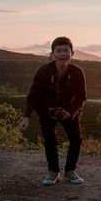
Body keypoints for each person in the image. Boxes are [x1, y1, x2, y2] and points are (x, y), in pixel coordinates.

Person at [18, 36, 87, 185]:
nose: (63, 54)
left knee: (76, 139)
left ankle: (70, 171)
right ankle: (53, 172)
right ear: (52, 54)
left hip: (69, 111)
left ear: (72, 53)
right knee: (50, 140)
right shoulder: (43, 71)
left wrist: (72, 111)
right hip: (46, 111)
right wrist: (26, 117)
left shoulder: (78, 72)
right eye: (59, 50)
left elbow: (81, 96)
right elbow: (32, 95)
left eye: (66, 50)